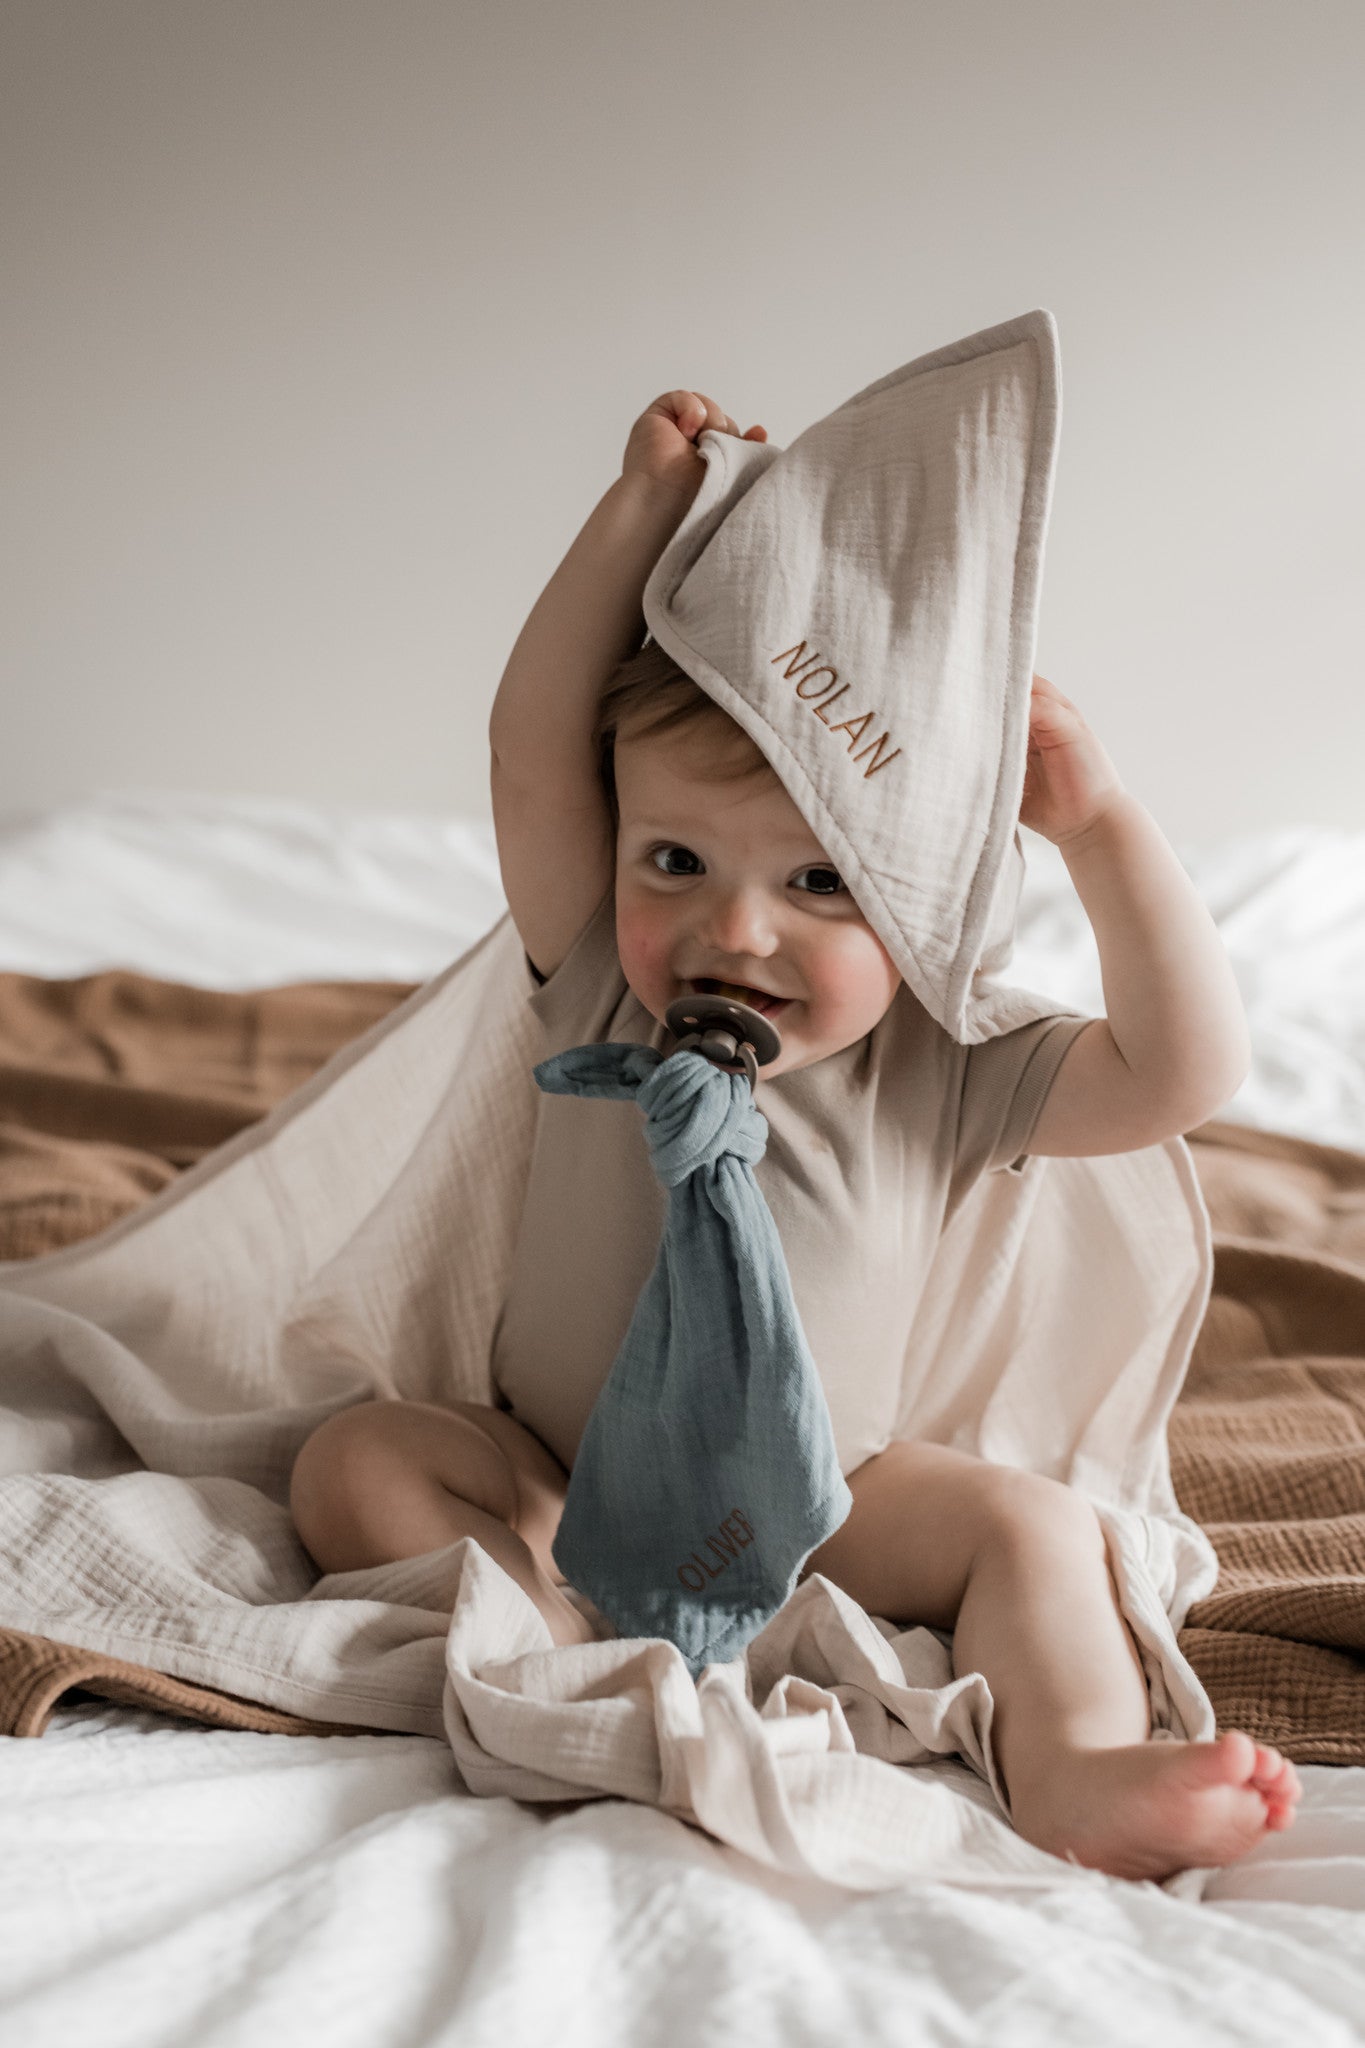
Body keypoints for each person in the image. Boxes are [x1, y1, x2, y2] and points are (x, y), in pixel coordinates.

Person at [290, 388, 1302, 1880]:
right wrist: (636, 508)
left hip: (829, 1495)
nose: (732, 927)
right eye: (675, 859)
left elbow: (1181, 1071)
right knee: (354, 1460)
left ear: (926, 902)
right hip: (552, 1473)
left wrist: (1096, 829)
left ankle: (1074, 1759)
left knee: (1029, 1530)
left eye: (820, 884)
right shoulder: (594, 994)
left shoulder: (943, 1067)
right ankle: (561, 1648)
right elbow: (529, 746)